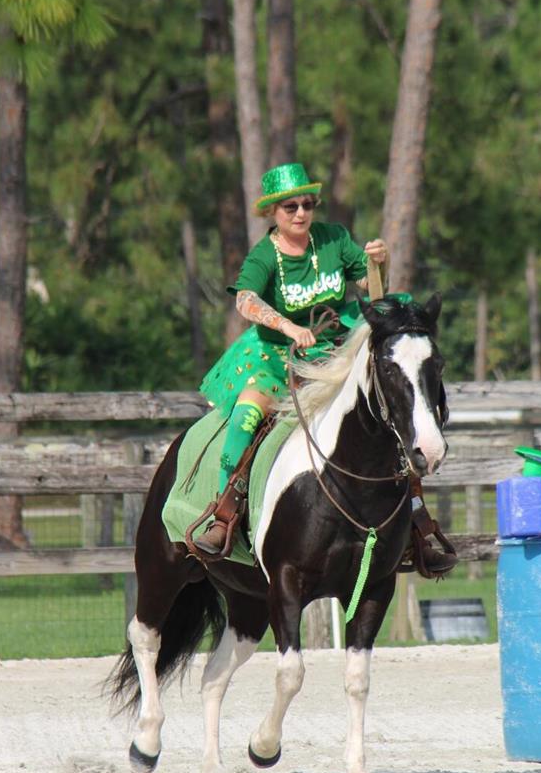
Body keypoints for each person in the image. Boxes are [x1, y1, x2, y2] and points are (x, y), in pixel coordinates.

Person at [191, 162, 456, 576]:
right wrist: (288, 325)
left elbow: (372, 291)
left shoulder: (333, 239)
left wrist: (377, 265)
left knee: (387, 417)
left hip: (333, 348)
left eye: (308, 204)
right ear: (272, 213)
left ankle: (416, 522)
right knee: (246, 419)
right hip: (275, 356)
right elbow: (244, 299)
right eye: (290, 206)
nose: (300, 213)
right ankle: (226, 512)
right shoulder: (265, 255)